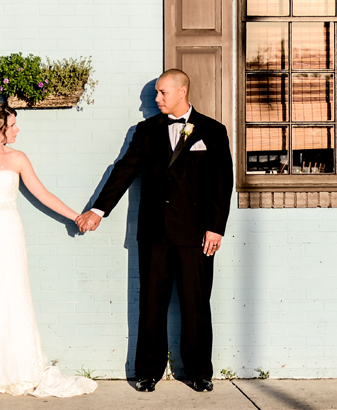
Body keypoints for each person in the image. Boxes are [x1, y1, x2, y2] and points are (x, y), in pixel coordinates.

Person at [76, 69, 232, 393]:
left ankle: (199, 372)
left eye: (163, 93)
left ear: (182, 91)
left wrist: (216, 228)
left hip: (196, 235)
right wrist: (98, 210)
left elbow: (222, 184)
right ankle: (147, 371)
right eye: (156, 93)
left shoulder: (213, 131)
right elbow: (124, 170)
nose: (156, 99)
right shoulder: (146, 131)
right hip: (154, 233)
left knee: (196, 305)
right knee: (151, 305)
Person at [0, 102, 96, 397]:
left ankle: (17, 368)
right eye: (12, 125)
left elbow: (42, 193)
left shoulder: (18, 158)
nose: (17, 130)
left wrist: (76, 216)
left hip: (9, 231)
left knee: (13, 293)